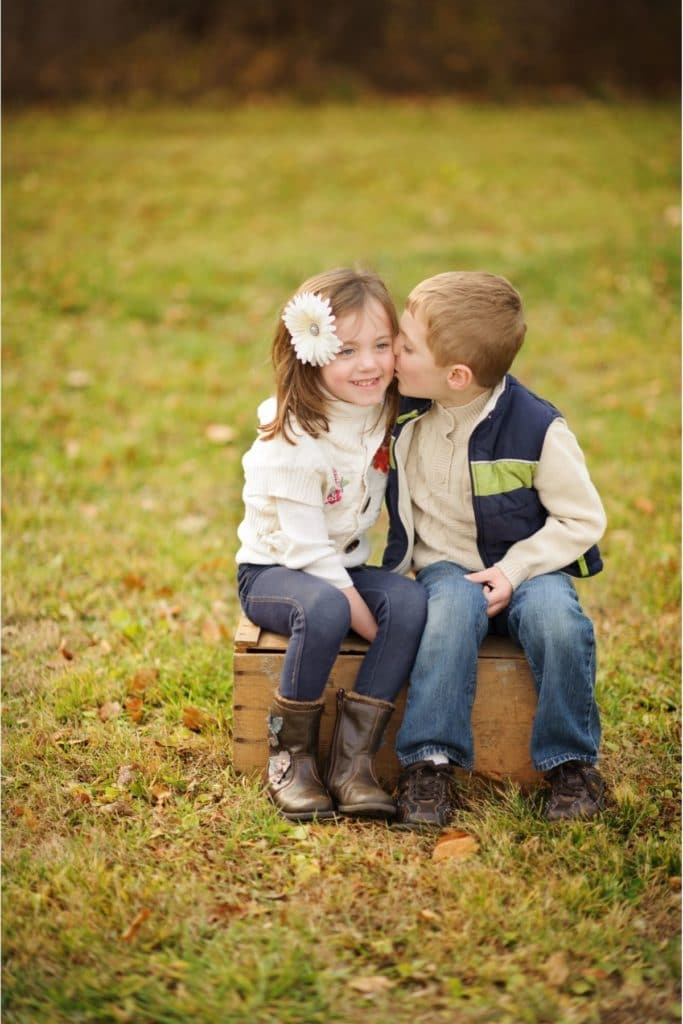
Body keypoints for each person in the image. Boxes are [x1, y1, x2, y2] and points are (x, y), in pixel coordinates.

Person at [383, 271, 607, 828]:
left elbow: (583, 518)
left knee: (559, 621)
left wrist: (516, 568)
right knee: (449, 615)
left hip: (529, 568)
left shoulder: (537, 429)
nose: (392, 352)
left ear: (456, 376)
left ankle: (572, 764)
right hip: (448, 569)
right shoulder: (404, 414)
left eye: (405, 346)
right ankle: (430, 764)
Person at [236, 267, 428, 823]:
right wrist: (367, 623)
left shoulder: (385, 407)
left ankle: (353, 763)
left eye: (382, 345)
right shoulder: (293, 434)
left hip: (343, 561)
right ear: (310, 351)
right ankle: (290, 758)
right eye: (346, 349)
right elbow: (304, 554)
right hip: (275, 571)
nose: (368, 364)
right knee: (321, 608)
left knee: (410, 601)